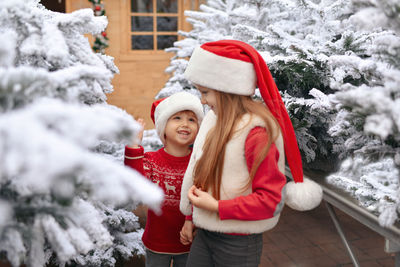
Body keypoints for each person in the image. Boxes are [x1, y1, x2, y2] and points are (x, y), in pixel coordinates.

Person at [179, 40, 323, 267]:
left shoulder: (255, 134)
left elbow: (270, 200)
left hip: (238, 243)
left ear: (227, 89)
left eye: (205, 92)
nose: (202, 101)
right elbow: (201, 173)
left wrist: (217, 207)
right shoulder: (214, 121)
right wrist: (191, 218)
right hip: (205, 233)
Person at [124, 91, 204, 267]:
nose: (185, 124)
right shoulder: (152, 161)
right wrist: (133, 146)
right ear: (163, 127)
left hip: (190, 241)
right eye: (177, 118)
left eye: (192, 120)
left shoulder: (199, 162)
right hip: (157, 243)